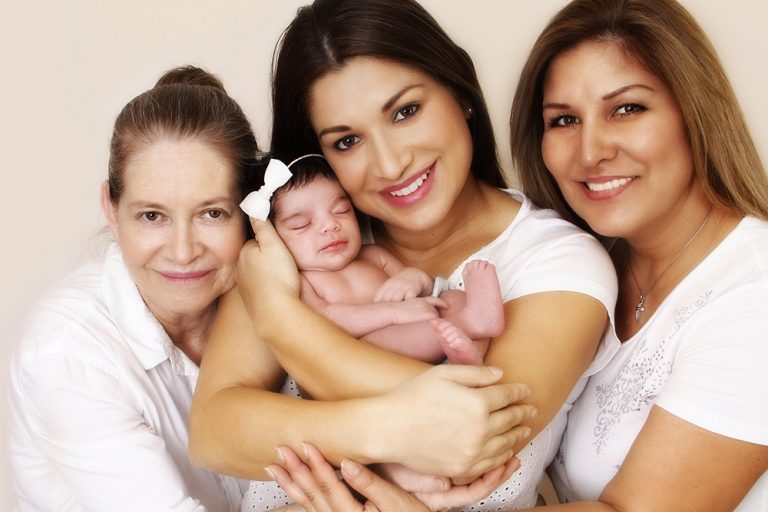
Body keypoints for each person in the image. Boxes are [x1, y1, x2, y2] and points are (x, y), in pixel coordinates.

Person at [189, 0, 619, 510]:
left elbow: (476, 427)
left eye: (405, 111)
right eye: (347, 141)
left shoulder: (559, 261)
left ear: (459, 91)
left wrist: (281, 319)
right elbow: (214, 433)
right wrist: (383, 435)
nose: (391, 163)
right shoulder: (307, 239)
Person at [509, 0, 768, 509]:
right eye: (563, 120)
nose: (590, 152)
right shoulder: (577, 270)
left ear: (695, 113)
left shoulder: (756, 292)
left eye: (626, 109)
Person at [7, 66, 258, 510]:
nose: (182, 252)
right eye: (152, 216)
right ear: (111, 208)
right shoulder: (68, 355)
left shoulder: (268, 296)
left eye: (212, 214)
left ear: (250, 212)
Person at [246, 152, 505, 364]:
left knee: (452, 298)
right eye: (302, 224)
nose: (330, 225)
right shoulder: (303, 281)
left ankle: (471, 353)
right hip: (375, 349)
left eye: (341, 210)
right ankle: (470, 324)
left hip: (423, 321)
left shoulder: (373, 255)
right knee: (379, 344)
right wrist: (392, 312)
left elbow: (419, 279)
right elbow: (328, 320)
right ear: (274, 240)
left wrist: (411, 280)